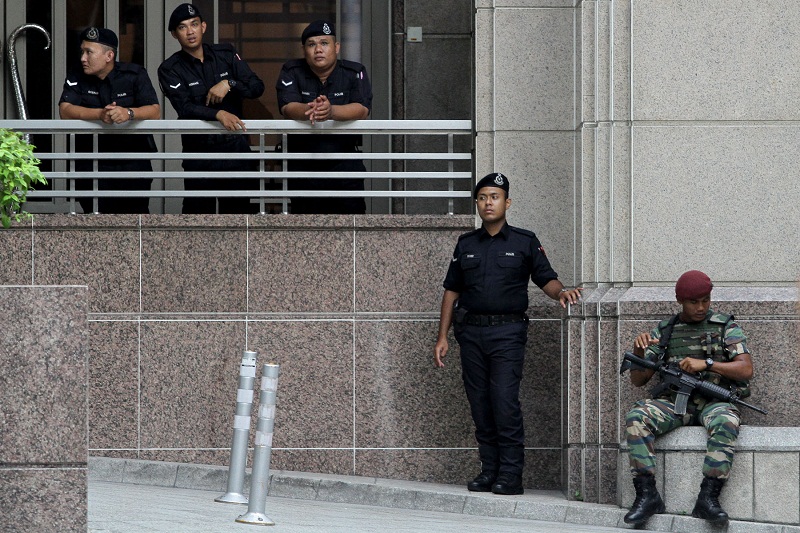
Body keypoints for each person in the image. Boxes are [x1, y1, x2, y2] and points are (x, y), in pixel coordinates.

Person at [433, 172, 582, 495]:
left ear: (507, 202)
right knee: (480, 404)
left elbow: (546, 278)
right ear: (477, 203)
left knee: (503, 401)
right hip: (471, 333)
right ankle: (490, 471)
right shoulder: (466, 244)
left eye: (495, 197)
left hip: (508, 333)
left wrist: (561, 294)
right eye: (484, 197)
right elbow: (451, 291)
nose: (489, 203)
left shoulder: (524, 241)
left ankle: (511, 475)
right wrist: (442, 336)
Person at [623, 270, 753, 527]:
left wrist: (706, 364)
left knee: (727, 421)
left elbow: (746, 369)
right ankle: (647, 495)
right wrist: (639, 350)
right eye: (694, 302)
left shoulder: (725, 326)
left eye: (705, 300)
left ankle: (709, 498)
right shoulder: (666, 330)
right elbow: (639, 380)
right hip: (675, 404)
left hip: (714, 402)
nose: (701, 307)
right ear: (680, 300)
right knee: (637, 416)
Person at [158, 3, 265, 214]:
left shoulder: (225, 54)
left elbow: (256, 87)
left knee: (238, 217)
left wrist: (230, 83)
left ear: (203, 27)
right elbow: (184, 107)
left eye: (194, 24)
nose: (190, 31)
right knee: (198, 218)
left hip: (235, 148)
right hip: (199, 151)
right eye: (182, 27)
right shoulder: (170, 69)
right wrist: (218, 114)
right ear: (174, 34)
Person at [59, 27, 160, 214]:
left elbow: (154, 111)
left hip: (131, 165)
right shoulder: (77, 74)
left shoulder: (135, 74)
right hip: (90, 164)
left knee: (134, 223)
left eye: (89, 52)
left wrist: (128, 113)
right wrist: (99, 115)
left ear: (109, 55)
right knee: (93, 223)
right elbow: (65, 110)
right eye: (82, 51)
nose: (83, 58)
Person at [275, 20, 372, 214]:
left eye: (324, 43)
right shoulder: (291, 71)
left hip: (343, 162)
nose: (318, 49)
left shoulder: (354, 72)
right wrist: (312, 109)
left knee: (351, 224)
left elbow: (362, 109)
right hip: (304, 163)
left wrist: (331, 111)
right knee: (306, 225)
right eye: (311, 44)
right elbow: (287, 107)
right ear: (304, 50)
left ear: (336, 48)